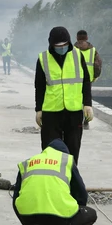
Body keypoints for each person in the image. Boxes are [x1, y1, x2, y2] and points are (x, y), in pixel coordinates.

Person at [13, 139, 97, 225]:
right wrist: (75, 212)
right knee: (91, 214)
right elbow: (81, 194)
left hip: (28, 217)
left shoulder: (28, 163)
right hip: (58, 220)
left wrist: (27, 221)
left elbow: (15, 198)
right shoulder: (66, 161)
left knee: (28, 207)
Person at [34, 27, 93, 163]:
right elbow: (39, 86)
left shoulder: (78, 56)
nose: (62, 48)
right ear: (51, 44)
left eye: (65, 45)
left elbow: (86, 81)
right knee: (50, 151)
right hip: (51, 112)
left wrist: (88, 104)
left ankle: (70, 180)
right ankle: (52, 181)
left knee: (73, 150)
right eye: (58, 46)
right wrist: (39, 109)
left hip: (74, 111)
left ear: (69, 42)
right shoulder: (43, 59)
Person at [74, 30, 102, 129]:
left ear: (77, 38)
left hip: (74, 79)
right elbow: (98, 65)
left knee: (76, 99)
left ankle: (76, 121)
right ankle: (86, 121)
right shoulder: (93, 50)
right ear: (87, 38)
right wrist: (95, 76)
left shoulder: (72, 50)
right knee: (86, 100)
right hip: (88, 79)